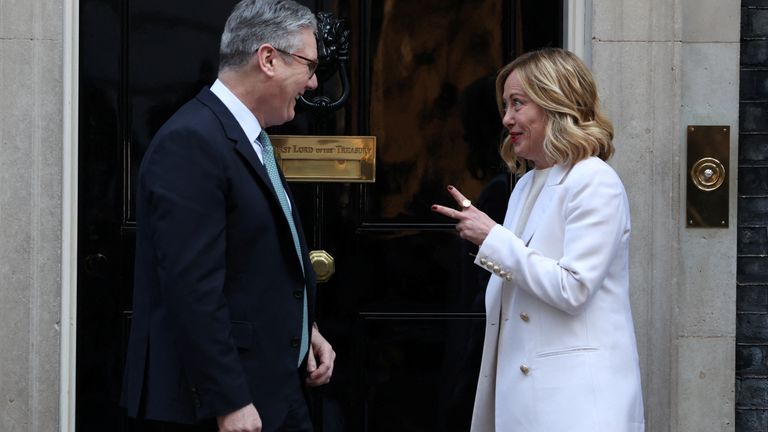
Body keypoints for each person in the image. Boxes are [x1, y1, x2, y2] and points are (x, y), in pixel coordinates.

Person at [121, 1, 335, 431]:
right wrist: (230, 401)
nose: (313, 84)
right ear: (269, 59)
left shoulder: (249, 137)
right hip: (220, 403)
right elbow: (192, 288)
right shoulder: (192, 141)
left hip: (274, 384)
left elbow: (253, 259)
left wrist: (302, 325)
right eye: (309, 66)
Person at [431, 48, 645, 431]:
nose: (506, 118)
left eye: (517, 104)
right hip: (528, 400)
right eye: (506, 105)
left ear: (555, 103)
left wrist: (491, 237)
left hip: (577, 403)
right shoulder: (526, 185)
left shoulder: (594, 181)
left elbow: (574, 288)